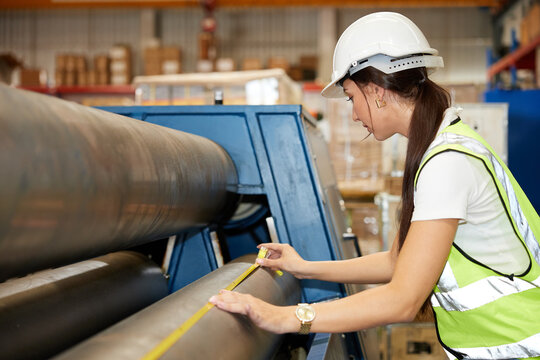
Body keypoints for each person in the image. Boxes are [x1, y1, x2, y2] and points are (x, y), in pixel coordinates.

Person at [209, 12, 540, 359]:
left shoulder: (447, 162)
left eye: (352, 97)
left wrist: (285, 317)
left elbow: (402, 300)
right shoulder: (438, 148)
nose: (353, 114)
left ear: (377, 90)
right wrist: (305, 266)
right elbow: (397, 263)